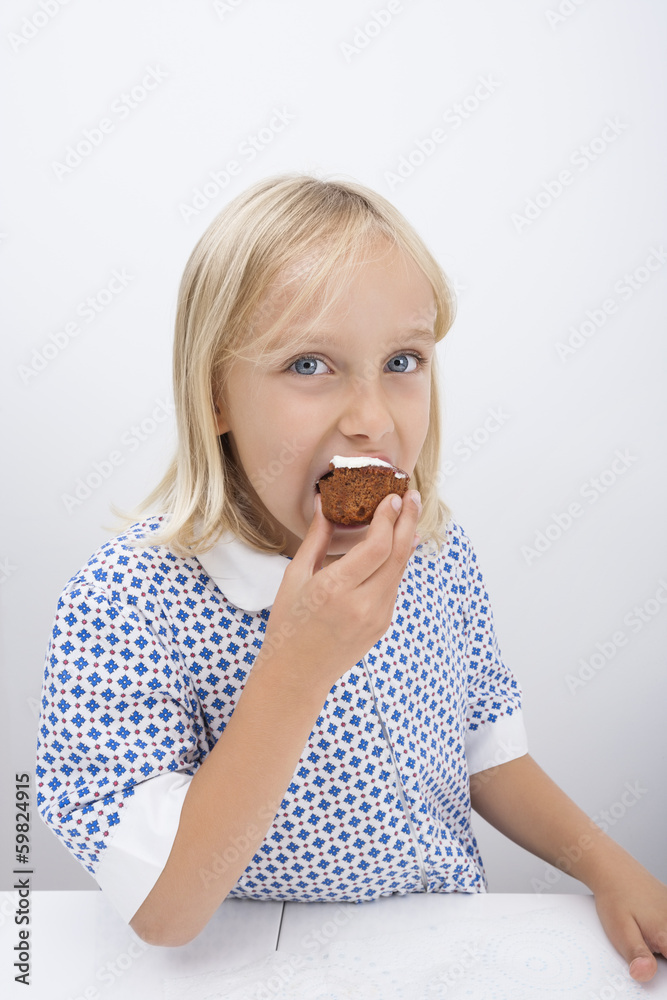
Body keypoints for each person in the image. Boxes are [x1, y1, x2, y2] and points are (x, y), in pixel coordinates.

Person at [36, 174, 666, 979]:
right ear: (214, 394)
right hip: (239, 969)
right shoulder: (126, 603)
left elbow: (485, 748)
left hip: (436, 953)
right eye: (309, 364)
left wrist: (606, 866)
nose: (370, 416)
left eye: (402, 360)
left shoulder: (434, 553)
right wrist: (296, 669)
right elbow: (164, 911)